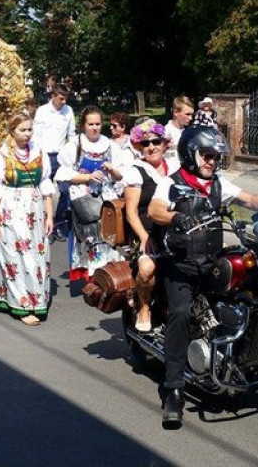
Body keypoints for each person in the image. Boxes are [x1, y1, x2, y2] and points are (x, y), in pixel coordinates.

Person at [148, 125, 258, 425]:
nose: (212, 161)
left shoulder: (219, 184)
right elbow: (155, 210)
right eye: (207, 155)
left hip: (211, 260)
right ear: (191, 155)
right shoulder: (172, 183)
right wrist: (177, 216)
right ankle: (174, 388)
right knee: (179, 314)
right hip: (180, 263)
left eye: (216, 157)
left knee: (253, 290)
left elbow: (248, 198)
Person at [0, 113, 56, 326]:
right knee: (15, 257)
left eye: (29, 129)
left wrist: (49, 215)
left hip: (34, 211)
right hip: (10, 211)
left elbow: (45, 187)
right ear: (12, 132)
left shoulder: (38, 154)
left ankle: (36, 298)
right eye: (22, 130)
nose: (27, 134)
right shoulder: (0, 157)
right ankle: (22, 305)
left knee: (36, 257)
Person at [55, 106, 124, 281]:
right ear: (83, 125)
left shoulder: (109, 146)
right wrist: (87, 177)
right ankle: (91, 276)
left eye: (98, 124)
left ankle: (106, 276)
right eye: (91, 124)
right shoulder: (75, 146)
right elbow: (64, 175)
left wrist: (112, 169)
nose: (94, 128)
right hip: (84, 200)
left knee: (107, 237)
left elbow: (120, 176)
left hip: (106, 198)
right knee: (88, 238)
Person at [121, 119, 172, 332]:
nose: (151, 147)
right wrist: (144, 237)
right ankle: (143, 306)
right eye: (145, 144)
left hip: (176, 231)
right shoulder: (136, 171)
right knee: (147, 268)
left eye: (156, 141)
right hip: (147, 233)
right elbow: (131, 212)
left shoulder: (176, 167)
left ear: (164, 144)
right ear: (138, 147)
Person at [32, 83, 76, 241]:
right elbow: (35, 135)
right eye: (61, 99)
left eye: (65, 99)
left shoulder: (68, 111)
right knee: (44, 192)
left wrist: (72, 153)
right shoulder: (42, 111)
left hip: (61, 155)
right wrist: (36, 155)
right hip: (44, 155)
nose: (63, 102)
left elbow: (71, 134)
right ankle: (44, 224)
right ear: (53, 96)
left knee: (65, 190)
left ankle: (57, 223)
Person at [163, 96, 194, 170]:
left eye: (191, 114)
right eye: (187, 114)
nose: (191, 118)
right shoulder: (165, 133)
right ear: (176, 112)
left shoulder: (188, 133)